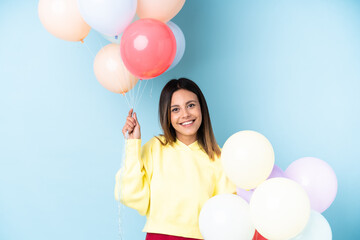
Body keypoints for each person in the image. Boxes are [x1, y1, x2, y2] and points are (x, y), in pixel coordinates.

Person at [114, 78, 236, 240]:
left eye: (191, 105)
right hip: (159, 236)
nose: (185, 114)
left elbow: (227, 213)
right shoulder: (155, 148)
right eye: (175, 109)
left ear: (202, 108)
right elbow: (129, 194)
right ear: (167, 115)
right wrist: (132, 143)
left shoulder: (219, 157)